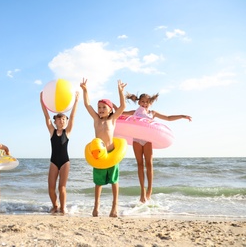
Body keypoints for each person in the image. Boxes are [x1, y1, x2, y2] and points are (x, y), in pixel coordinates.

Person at [123, 92, 192, 203]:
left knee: (149, 164)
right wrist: (113, 104)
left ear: (150, 103)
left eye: (147, 102)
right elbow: (119, 112)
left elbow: (168, 118)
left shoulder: (152, 113)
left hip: (147, 140)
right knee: (140, 165)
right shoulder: (134, 112)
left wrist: (182, 116)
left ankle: (149, 189)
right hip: (137, 139)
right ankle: (142, 191)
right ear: (139, 102)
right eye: (143, 101)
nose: (145, 104)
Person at [80, 78, 127, 217]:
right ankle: (96, 207)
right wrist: (85, 90)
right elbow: (87, 105)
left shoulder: (112, 119)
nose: (100, 110)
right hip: (99, 155)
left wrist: (120, 91)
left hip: (112, 153)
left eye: (103, 107)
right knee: (98, 182)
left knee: (114, 180)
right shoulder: (96, 120)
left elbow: (123, 106)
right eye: (99, 107)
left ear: (110, 110)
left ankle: (114, 207)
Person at [40, 91, 79, 214]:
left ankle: (63, 208)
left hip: (65, 162)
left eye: (63, 119)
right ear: (55, 121)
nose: (61, 121)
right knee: (51, 188)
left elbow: (72, 116)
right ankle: (55, 205)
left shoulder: (67, 132)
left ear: (66, 121)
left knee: (61, 187)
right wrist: (42, 101)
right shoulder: (52, 131)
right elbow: (46, 117)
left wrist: (76, 101)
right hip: (53, 162)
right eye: (59, 119)